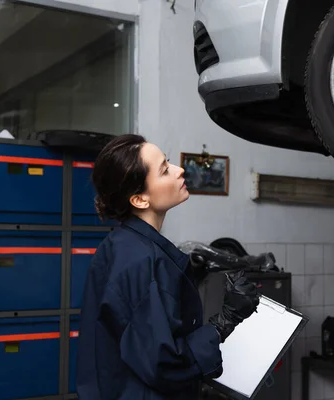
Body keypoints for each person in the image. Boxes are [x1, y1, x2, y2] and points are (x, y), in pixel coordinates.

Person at [76, 134, 259, 400]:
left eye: (169, 162)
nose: (179, 170)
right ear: (140, 199)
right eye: (164, 170)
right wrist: (225, 321)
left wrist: (185, 275)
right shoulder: (139, 259)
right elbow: (166, 363)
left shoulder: (123, 242)